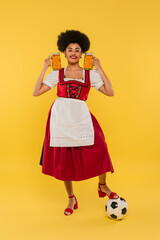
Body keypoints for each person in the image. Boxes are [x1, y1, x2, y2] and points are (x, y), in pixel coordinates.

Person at [33, 29, 119, 216]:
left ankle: (102, 186)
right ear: (64, 53)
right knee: (65, 159)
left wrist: (100, 68)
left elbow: (110, 92)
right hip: (61, 118)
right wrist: (44, 69)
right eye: (70, 49)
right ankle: (71, 198)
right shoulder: (57, 73)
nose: (73, 52)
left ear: (82, 53)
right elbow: (36, 91)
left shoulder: (90, 74)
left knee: (101, 147)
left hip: (81, 116)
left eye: (77, 49)